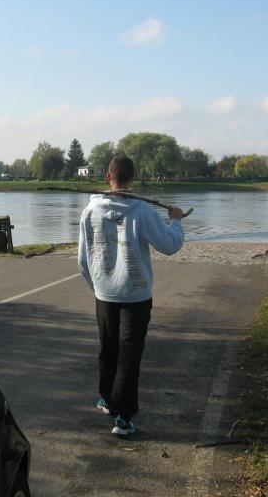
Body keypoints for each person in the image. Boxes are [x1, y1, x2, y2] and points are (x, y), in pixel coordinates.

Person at [78, 155, 185, 436]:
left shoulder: (89, 211)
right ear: (133, 177)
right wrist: (176, 221)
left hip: (104, 295)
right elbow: (170, 245)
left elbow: (82, 260)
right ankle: (122, 418)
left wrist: (98, 286)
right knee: (129, 356)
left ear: (107, 178)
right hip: (136, 297)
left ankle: (107, 398)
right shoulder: (143, 211)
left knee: (108, 349)